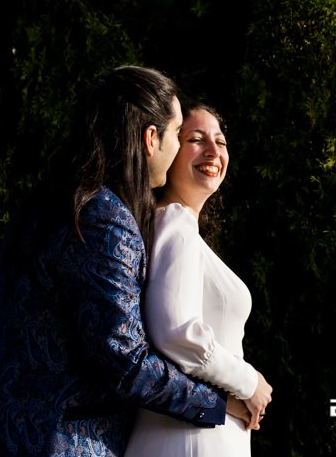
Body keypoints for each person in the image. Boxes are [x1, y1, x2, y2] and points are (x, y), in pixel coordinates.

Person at [0, 66, 254, 456]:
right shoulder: (105, 217)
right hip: (62, 444)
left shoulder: (44, 205)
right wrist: (221, 402)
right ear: (152, 139)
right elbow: (126, 363)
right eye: (178, 133)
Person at [127, 102, 273, 457]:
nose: (213, 151)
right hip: (188, 441)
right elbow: (175, 330)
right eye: (196, 139)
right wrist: (248, 382)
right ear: (171, 149)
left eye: (220, 142)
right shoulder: (174, 220)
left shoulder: (179, 229)